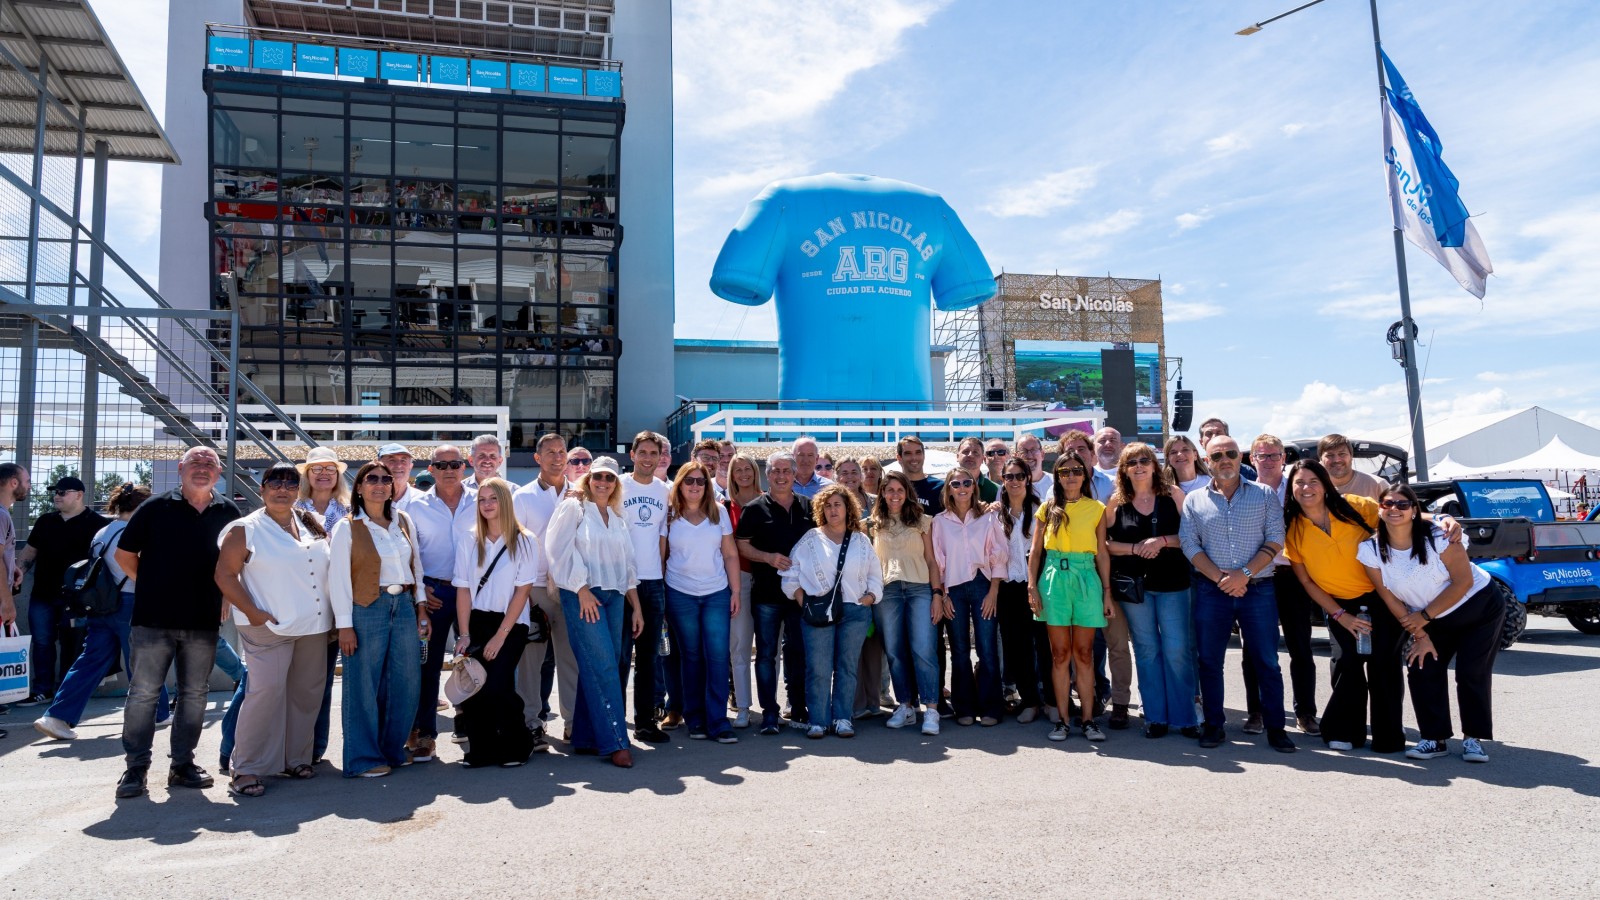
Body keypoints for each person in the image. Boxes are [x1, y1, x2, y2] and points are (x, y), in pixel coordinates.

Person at [113, 447, 242, 799]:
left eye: (210, 464)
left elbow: (233, 564)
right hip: (153, 620)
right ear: (180, 468)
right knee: (143, 694)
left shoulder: (228, 511)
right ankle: (135, 768)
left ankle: (182, 764)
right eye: (195, 463)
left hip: (203, 620)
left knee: (195, 694)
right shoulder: (154, 507)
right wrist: (154, 585)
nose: (203, 469)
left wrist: (227, 597)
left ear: (219, 473)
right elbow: (124, 555)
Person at [1359, 483, 1503, 763]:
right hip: (1431, 615)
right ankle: (1434, 739)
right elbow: (1389, 597)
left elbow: (1464, 582)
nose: (1395, 509)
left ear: (1414, 511)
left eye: (1403, 504)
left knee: (1471, 671)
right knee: (1421, 666)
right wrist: (1420, 633)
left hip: (1478, 607)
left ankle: (1474, 739)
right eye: (1388, 504)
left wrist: (1422, 619)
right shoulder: (1370, 550)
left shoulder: (1439, 537)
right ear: (1380, 509)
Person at [213, 464, 333, 797]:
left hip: (313, 625)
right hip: (269, 627)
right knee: (264, 695)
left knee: (306, 695)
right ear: (262, 488)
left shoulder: (311, 523)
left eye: (290, 484)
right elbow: (225, 576)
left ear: (299, 490)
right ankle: (246, 767)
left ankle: (294, 758)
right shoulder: (244, 529)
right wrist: (252, 612)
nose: (282, 489)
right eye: (274, 482)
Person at [1179, 436, 1296, 753]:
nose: (1225, 459)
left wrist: (1243, 574)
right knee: (1209, 662)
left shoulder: (1264, 494)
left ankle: (1276, 729)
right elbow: (1190, 546)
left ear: (1240, 456)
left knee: (1267, 661)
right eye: (1217, 455)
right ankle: (1214, 725)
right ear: (1208, 459)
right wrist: (1221, 578)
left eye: (1231, 453)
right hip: (1212, 590)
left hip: (1258, 588)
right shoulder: (1194, 501)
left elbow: (1275, 540)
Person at [1281, 460, 1399, 753]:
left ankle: (1388, 737)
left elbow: (1401, 518)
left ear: (1325, 484)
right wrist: (1340, 616)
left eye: (1313, 481)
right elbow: (1307, 583)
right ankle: (1346, 732)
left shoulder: (1356, 505)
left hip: (1382, 596)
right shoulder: (1293, 528)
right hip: (1338, 605)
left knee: (1384, 666)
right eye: (1299, 483)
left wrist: (1443, 522)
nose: (1306, 488)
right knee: (1347, 664)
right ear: (1291, 488)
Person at [33, 485, 167, 742]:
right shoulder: (133, 532)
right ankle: (157, 713)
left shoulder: (102, 531)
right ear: (140, 508)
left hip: (101, 605)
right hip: (130, 602)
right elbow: (135, 569)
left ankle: (56, 716)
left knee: (90, 661)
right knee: (144, 660)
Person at [544, 456, 645, 768]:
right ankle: (616, 741)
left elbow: (627, 564)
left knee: (608, 664)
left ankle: (586, 736)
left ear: (616, 483)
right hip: (583, 595)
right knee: (601, 665)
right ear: (588, 479)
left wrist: (636, 606)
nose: (603, 482)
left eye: (610, 478)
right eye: (598, 476)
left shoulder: (617, 515)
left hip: (615, 596)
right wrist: (581, 589)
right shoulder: (573, 507)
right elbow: (556, 550)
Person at [329, 461, 427, 778]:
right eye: (372, 479)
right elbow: (338, 579)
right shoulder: (347, 526)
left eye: (386, 479)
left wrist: (421, 606)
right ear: (359, 487)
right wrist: (344, 625)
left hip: (404, 605)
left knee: (407, 682)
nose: (380, 484)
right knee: (363, 684)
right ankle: (362, 759)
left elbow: (418, 567)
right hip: (366, 606)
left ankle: (390, 750)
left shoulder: (403, 521)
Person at [1104, 443, 1197, 739]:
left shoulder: (1173, 495)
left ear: (1155, 465)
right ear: (1124, 470)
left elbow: (1193, 537)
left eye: (1145, 460)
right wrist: (1134, 548)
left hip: (1174, 584)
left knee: (1177, 650)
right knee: (1147, 651)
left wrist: (1163, 541)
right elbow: (1105, 545)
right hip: (1136, 589)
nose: (1139, 466)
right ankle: (1155, 717)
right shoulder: (1116, 502)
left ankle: (1185, 717)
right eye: (1132, 462)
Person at [452, 478, 539, 767]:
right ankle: (483, 750)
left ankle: (518, 744)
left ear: (506, 502)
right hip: (476, 621)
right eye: (482, 499)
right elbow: (463, 589)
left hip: (511, 623)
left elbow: (522, 592)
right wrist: (463, 634)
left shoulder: (525, 540)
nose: (487, 505)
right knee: (474, 687)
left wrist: (501, 636)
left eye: (493, 499)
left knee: (498, 685)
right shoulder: (468, 539)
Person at [783, 484, 882, 739]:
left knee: (847, 667)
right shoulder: (810, 539)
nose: (832, 509)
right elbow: (790, 573)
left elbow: (875, 573)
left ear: (848, 508)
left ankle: (842, 718)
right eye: (827, 505)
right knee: (818, 667)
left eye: (837, 504)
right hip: (818, 612)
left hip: (855, 611)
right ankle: (818, 720)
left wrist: (871, 596)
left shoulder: (860, 539)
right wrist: (801, 597)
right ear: (821, 509)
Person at [402, 444, 480, 761]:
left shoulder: (482, 502)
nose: (449, 469)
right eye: (442, 464)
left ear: (465, 467)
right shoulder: (415, 507)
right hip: (432, 594)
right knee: (427, 666)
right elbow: (408, 555)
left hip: (473, 594)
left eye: (455, 463)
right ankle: (423, 734)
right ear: (431, 469)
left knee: (476, 663)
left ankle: (477, 729)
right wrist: (420, 591)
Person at [1028, 452, 1112, 742]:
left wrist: (1107, 593)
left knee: (1085, 654)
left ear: (1085, 474)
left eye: (1077, 470)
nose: (1071, 476)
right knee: (1060, 654)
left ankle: (1088, 720)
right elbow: (1036, 552)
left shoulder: (1097, 508)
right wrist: (1032, 586)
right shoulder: (1047, 508)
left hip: (1087, 579)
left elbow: (1102, 552)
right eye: (1065, 471)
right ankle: (1062, 720)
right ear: (1058, 476)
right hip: (1054, 579)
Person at [1240, 435, 1321, 735]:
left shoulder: (1300, 488)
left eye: (1275, 455)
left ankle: (1306, 712)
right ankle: (1256, 712)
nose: (1270, 460)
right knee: (1256, 650)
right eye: (1263, 456)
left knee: (1301, 646)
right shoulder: (1245, 491)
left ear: (1284, 458)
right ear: (1253, 459)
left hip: (1293, 575)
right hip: (1257, 576)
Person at [735, 452, 814, 733]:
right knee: (767, 654)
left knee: (799, 652)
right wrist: (768, 557)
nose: (781, 476)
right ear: (768, 475)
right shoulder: (755, 508)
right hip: (766, 595)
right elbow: (741, 545)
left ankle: (800, 708)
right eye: (775, 471)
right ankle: (770, 713)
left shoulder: (809, 506)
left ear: (794, 474)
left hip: (800, 595)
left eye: (786, 470)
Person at [662, 461, 741, 743]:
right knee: (691, 656)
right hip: (679, 592)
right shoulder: (668, 514)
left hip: (716, 593)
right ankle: (695, 718)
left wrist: (735, 591)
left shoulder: (717, 512)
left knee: (718, 657)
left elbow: (730, 554)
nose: (695, 486)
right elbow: (662, 555)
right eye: (689, 481)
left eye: (700, 481)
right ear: (680, 484)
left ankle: (718, 720)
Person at [510, 434, 579, 741]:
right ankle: (530, 722)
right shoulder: (522, 497)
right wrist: (521, 594)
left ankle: (573, 722)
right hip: (534, 588)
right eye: (549, 452)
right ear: (537, 458)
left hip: (570, 588)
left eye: (561, 451)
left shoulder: (580, 495)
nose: (556, 457)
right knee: (531, 660)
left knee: (570, 658)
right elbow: (514, 547)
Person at [16, 475, 109, 705]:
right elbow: (29, 551)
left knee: (74, 645)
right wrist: (15, 576)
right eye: (55, 492)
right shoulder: (46, 521)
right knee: (42, 641)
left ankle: (68, 693)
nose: (56, 496)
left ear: (79, 495)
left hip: (77, 598)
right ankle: (42, 689)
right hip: (43, 594)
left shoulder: (97, 523)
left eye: (62, 492)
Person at [867, 470, 944, 734]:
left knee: (923, 649)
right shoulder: (872, 524)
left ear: (907, 493)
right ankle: (905, 706)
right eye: (890, 490)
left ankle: (931, 709)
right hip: (887, 591)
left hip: (920, 589)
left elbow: (932, 561)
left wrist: (937, 594)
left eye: (900, 490)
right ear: (883, 494)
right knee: (895, 652)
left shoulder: (923, 521)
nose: (895, 495)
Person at [932, 467, 1008, 728]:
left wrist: (994, 591)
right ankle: (963, 707)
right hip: (954, 589)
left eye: (967, 482)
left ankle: (991, 708)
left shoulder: (988, 518)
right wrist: (943, 595)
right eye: (956, 483)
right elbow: (938, 561)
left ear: (975, 487)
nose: (962, 487)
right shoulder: (940, 521)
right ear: (948, 489)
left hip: (983, 585)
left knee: (987, 650)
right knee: (960, 651)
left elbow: (999, 554)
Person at [1060, 429, 1126, 723]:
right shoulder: (1057, 493)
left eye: (1081, 450)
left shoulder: (1113, 486)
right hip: (1071, 576)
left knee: (1107, 641)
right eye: (1069, 452)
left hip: (1111, 570)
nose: (1076, 456)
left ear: (1091, 454)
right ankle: (1088, 693)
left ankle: (1109, 697)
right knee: (1079, 643)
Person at [619, 431, 672, 743]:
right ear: (633, 454)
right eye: (644, 452)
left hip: (652, 582)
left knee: (649, 658)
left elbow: (662, 538)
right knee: (622, 657)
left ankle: (645, 722)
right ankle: (617, 725)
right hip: (620, 582)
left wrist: (660, 576)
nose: (649, 458)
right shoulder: (618, 485)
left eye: (655, 453)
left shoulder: (665, 491)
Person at [995, 457, 1046, 725]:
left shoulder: (1042, 510)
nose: (1014, 481)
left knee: (1045, 646)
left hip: (1038, 585)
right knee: (1018, 648)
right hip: (1007, 588)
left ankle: (1051, 700)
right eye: (1008, 477)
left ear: (1027, 478)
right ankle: (1030, 701)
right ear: (1002, 481)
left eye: (1018, 476)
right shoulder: (995, 513)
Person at [722, 454, 763, 728]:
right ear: (732, 475)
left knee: (769, 649)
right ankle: (744, 707)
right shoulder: (724, 507)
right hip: (740, 581)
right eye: (738, 470)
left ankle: (771, 705)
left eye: (748, 468)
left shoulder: (769, 501)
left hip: (771, 582)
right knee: (739, 646)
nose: (744, 474)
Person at [296, 447, 351, 532]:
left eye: (330, 469)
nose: (324, 473)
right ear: (307, 474)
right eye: (317, 468)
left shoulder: (350, 509)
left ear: (337, 475)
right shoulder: (293, 508)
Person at [1319, 433, 1386, 502]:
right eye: (1330, 455)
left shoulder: (1377, 485)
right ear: (1320, 460)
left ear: (1351, 457)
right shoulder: (1314, 489)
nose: (1337, 460)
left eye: (1342, 454)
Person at [895, 436, 944, 515]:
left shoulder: (940, 487)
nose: (914, 458)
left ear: (924, 455)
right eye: (908, 453)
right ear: (899, 458)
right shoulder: (893, 488)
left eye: (918, 452)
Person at [956, 437, 999, 502]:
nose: (970, 455)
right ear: (957, 457)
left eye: (975, 452)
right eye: (966, 451)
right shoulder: (945, 487)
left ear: (982, 459)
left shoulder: (996, 490)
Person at [1016, 434, 1052, 502]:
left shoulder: (1056, 483)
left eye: (1033, 450)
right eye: (1023, 451)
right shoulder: (1010, 486)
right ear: (1016, 457)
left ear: (1042, 454)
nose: (1029, 455)